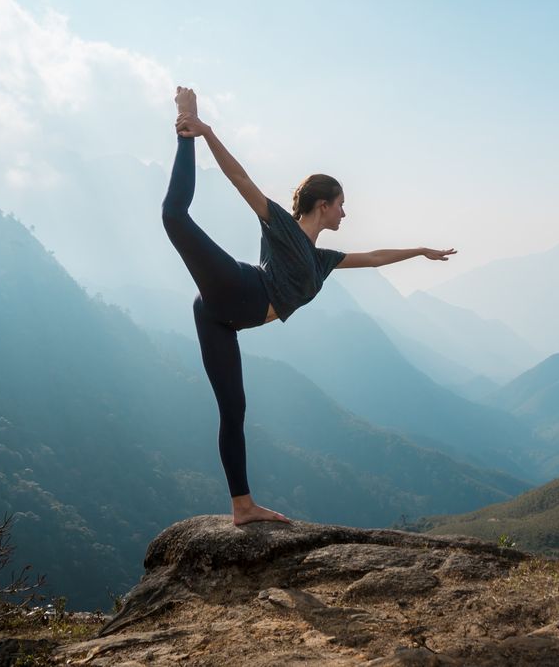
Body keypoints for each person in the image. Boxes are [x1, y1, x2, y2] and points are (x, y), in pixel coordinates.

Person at [161, 86, 456, 525]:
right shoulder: (282, 227)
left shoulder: (323, 260)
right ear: (323, 204)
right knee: (174, 216)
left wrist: (419, 251)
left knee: (234, 410)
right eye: (341, 206)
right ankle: (184, 127)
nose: (344, 214)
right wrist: (203, 131)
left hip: (223, 318)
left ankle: (242, 506)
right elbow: (241, 179)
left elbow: (374, 257)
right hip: (241, 291)